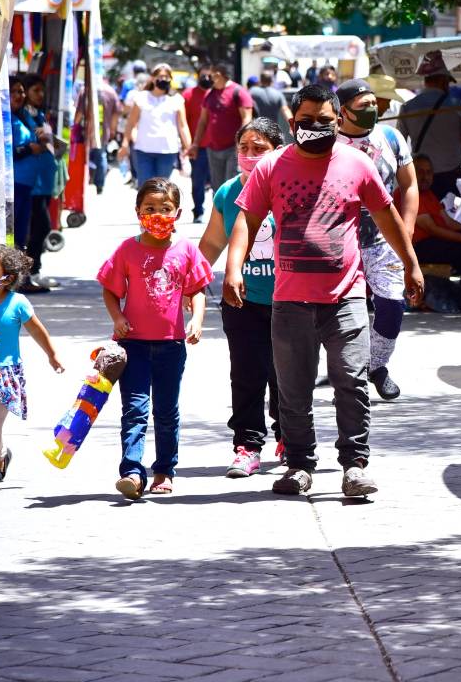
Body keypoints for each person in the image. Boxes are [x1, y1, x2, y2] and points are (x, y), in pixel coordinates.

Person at [225, 84, 424, 497]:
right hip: (290, 299)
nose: (315, 127)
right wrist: (233, 268)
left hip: (346, 295)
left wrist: (411, 264)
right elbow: (246, 218)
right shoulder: (272, 167)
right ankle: (299, 465)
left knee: (350, 381)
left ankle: (355, 464)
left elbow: (387, 215)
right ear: (292, 122)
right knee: (293, 389)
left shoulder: (357, 164)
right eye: (306, 121)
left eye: (325, 121)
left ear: (339, 122)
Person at [98, 178, 213, 500]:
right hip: (132, 345)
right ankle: (132, 472)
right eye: (150, 209)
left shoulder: (187, 249)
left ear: (177, 212)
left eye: (165, 209)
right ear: (138, 212)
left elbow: (197, 291)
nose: (158, 215)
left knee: (166, 411)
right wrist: (118, 317)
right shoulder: (127, 249)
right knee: (134, 409)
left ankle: (164, 470)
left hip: (171, 345)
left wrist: (197, 320)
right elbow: (110, 289)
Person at [199, 119, 283, 477]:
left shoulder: (291, 186)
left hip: (290, 301)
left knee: (288, 376)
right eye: (244, 148)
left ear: (279, 151)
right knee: (247, 375)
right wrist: (186, 284)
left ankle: (290, 437)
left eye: (259, 149)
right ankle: (247, 445)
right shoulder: (226, 193)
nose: (249, 156)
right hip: (242, 302)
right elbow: (212, 245)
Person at [335, 79, 418, 401]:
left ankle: (377, 365)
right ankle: (348, 372)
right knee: (342, 308)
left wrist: (406, 229)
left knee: (392, 303)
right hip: (339, 238)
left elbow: (409, 185)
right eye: (363, 105)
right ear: (343, 111)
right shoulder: (330, 143)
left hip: (384, 238)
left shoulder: (391, 137)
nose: (373, 110)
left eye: (374, 104)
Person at [0, 244, 63, 494]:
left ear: (7, 277)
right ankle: (0, 454)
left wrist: (52, 355)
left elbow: (36, 329)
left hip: (3, 374)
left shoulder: (16, 303)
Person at [411, 154, 461, 304]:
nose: (425, 176)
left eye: (429, 172)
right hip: (419, 247)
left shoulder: (429, 194)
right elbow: (432, 229)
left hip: (434, 242)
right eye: (420, 172)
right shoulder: (409, 193)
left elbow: (448, 222)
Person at [397, 53, 461, 199]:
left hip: (420, 177)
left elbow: (398, 146)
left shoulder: (408, 107)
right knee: (451, 218)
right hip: (453, 177)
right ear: (443, 80)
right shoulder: (456, 105)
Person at [14, 74, 58, 292]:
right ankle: (27, 272)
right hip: (28, 183)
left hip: (39, 181)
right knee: (37, 227)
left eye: (23, 92)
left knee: (34, 228)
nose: (39, 95)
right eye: (35, 91)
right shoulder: (19, 117)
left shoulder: (37, 115)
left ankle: (29, 273)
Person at [121, 64, 192, 186]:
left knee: (162, 187)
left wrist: (188, 147)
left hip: (167, 150)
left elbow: (183, 125)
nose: (163, 79)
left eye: (166, 77)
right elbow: (131, 123)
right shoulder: (141, 98)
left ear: (170, 79)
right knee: (145, 186)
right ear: (153, 78)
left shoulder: (176, 99)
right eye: (160, 76)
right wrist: (125, 143)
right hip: (144, 150)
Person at [192, 63, 253, 192]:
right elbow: (203, 121)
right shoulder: (210, 94)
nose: (207, 78)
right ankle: (219, 212)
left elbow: (247, 118)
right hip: (213, 149)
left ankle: (231, 212)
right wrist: (195, 144)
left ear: (218, 75)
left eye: (210, 75)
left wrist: (240, 143)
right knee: (217, 189)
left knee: (232, 188)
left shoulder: (239, 92)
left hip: (233, 149)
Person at [75, 78, 122, 194]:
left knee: (86, 156)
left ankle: (85, 181)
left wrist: (74, 126)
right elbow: (116, 114)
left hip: (86, 130)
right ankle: (99, 185)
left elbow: (79, 113)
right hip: (103, 131)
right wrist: (112, 130)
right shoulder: (111, 92)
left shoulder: (85, 90)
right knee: (101, 156)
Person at [182, 66, 213, 222]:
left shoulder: (218, 94)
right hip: (198, 147)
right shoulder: (188, 95)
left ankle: (219, 212)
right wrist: (186, 144)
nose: (206, 78)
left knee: (219, 181)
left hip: (218, 146)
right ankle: (198, 210)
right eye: (203, 75)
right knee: (198, 180)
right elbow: (182, 122)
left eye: (209, 75)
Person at [250, 69, 293, 138]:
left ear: (260, 81)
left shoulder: (252, 92)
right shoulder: (278, 94)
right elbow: (285, 110)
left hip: (255, 131)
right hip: (272, 132)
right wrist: (293, 125)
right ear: (271, 81)